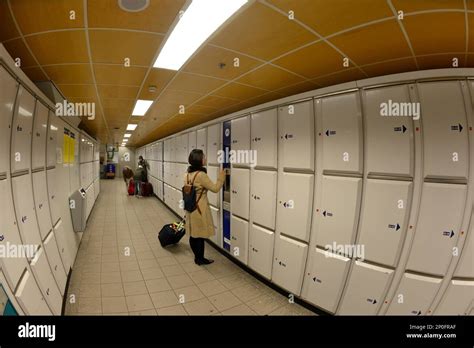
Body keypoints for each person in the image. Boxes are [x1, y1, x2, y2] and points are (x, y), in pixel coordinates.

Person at [184, 149, 225, 265]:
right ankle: (200, 259)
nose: (206, 159)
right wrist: (221, 177)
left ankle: (197, 257)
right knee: (200, 236)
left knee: (193, 234)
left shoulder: (187, 174)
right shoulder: (201, 175)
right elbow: (215, 188)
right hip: (199, 209)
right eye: (204, 157)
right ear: (199, 160)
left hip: (190, 208)